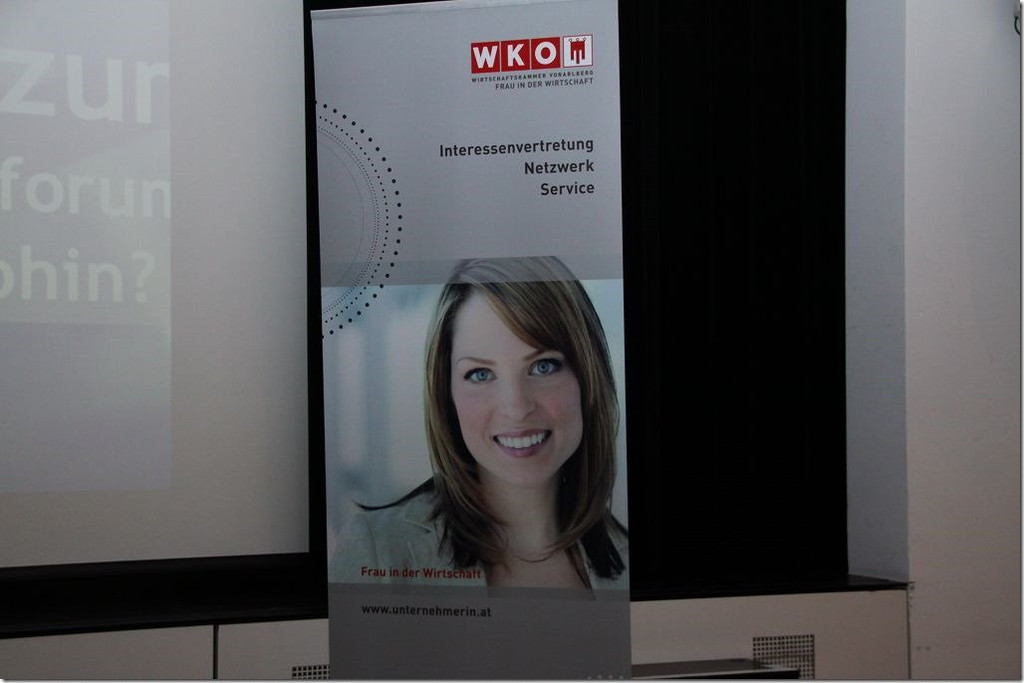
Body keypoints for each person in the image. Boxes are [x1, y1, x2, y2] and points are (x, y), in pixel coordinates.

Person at [332, 256, 627, 590]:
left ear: (588, 378)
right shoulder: (377, 553)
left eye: (543, 366)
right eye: (480, 374)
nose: (516, 408)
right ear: (447, 396)